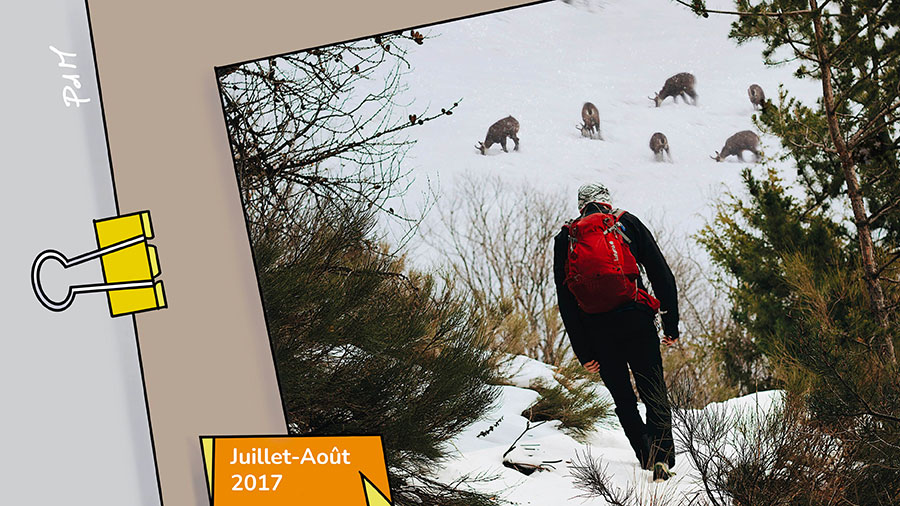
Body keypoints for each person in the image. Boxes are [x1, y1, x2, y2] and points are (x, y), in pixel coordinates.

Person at [554, 183, 679, 481]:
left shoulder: (566, 237)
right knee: (652, 388)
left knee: (623, 398)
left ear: (581, 206)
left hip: (597, 328)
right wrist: (670, 324)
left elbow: (566, 299)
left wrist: (583, 351)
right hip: (636, 318)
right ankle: (661, 458)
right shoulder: (627, 222)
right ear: (607, 203)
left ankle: (645, 454)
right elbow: (661, 274)